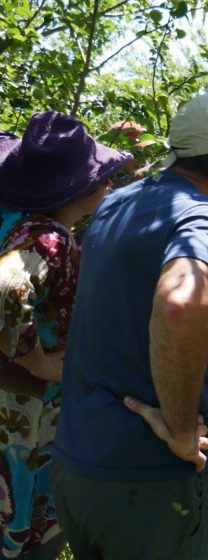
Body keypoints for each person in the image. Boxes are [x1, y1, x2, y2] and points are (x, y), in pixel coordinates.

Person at [51, 93, 208, 559]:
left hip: (76, 465)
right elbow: (180, 304)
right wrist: (178, 431)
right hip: (148, 485)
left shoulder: (117, 204)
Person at [0, 112, 131, 559]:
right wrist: (35, 359)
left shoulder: (13, 222)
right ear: (79, 188)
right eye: (102, 177)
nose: (108, 185)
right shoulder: (48, 241)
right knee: (31, 525)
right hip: (28, 409)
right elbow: (6, 290)